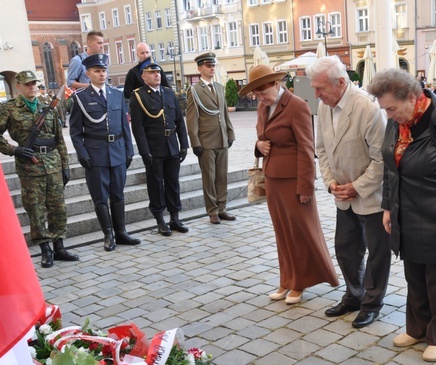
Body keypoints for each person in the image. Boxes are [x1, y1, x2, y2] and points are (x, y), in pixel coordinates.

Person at [366, 68, 436, 362]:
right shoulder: (397, 122)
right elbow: (391, 169)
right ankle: (417, 328)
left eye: (391, 108)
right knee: (414, 275)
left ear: (411, 97)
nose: (388, 115)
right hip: (406, 212)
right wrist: (388, 207)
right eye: (385, 109)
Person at [238, 65, 338, 305]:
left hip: (294, 181)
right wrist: (258, 146)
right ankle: (287, 279)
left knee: (300, 234)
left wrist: (305, 187)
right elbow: (263, 137)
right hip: (273, 179)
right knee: (282, 233)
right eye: (257, 95)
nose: (260, 98)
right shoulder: (264, 106)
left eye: (263, 92)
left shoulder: (297, 106)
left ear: (275, 84)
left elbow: (306, 148)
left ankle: (299, 283)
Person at [307, 55, 391, 329]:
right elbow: (321, 150)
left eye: (320, 88)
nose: (316, 94)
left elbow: (382, 159)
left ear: (341, 82)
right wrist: (331, 184)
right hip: (342, 196)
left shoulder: (367, 108)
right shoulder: (325, 106)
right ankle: (354, 295)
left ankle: (372, 303)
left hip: (371, 197)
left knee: (377, 253)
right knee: (346, 250)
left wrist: (356, 187)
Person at [0, 70, 79, 267]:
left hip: (53, 162)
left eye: (34, 84)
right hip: (30, 166)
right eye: (28, 84)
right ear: (18, 86)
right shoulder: (9, 109)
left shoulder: (48, 107)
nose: (32, 87)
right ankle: (45, 248)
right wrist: (13, 150)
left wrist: (65, 165)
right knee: (35, 209)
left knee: (57, 207)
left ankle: (59, 246)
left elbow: (59, 139)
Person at [69, 53, 140, 251]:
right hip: (96, 154)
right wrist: (82, 153)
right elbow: (75, 131)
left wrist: (129, 149)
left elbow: (125, 126)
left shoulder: (116, 95)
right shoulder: (81, 98)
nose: (102, 74)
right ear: (88, 73)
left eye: (103, 70)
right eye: (97, 71)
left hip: (117, 151)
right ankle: (108, 234)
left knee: (118, 194)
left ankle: (121, 232)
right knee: (100, 197)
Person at [129, 62, 189, 236]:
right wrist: (144, 151)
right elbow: (138, 128)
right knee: (156, 184)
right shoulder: (139, 96)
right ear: (143, 76)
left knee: (173, 183)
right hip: (154, 148)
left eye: (158, 72)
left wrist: (184, 144)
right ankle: (160, 220)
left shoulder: (168, 93)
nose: (157, 75)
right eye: (152, 73)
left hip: (172, 146)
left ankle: (175, 218)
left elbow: (179, 121)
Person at [186, 52, 236, 224]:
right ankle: (212, 211)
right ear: (200, 68)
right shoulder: (194, 90)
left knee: (222, 176)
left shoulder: (220, 88)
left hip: (221, 138)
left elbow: (224, 114)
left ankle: (222, 208)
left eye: (213, 65)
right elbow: (191, 118)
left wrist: (230, 133)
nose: (212, 68)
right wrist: (195, 142)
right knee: (209, 178)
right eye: (208, 66)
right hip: (206, 141)